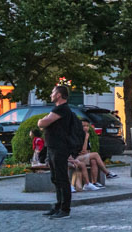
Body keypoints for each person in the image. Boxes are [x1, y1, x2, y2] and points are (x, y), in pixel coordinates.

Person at [38, 84, 78, 218]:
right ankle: (58, 205)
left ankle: (65, 209)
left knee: (62, 178)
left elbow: (42, 123)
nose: (51, 95)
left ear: (58, 95)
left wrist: (41, 121)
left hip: (60, 148)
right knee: (55, 178)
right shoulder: (58, 109)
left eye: (52, 92)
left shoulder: (62, 109)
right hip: (53, 147)